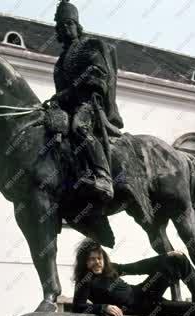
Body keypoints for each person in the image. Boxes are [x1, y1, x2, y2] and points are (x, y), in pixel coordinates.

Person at [48, 0, 123, 203]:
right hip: (68, 106)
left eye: (69, 24)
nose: (66, 29)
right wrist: (56, 101)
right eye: (62, 26)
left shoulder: (89, 46)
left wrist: (71, 92)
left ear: (76, 25)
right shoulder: (60, 62)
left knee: (79, 127)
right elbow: (60, 90)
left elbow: (97, 75)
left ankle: (103, 176)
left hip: (89, 103)